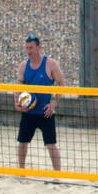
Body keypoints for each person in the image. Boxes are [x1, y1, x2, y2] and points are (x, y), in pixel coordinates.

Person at [15, 36, 65, 172]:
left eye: (31, 48)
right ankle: (21, 171)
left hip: (45, 112)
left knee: (51, 145)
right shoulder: (24, 66)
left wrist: (54, 103)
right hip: (28, 111)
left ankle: (58, 173)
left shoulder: (50, 64)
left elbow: (61, 84)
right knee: (22, 142)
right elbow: (18, 86)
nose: (28, 51)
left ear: (38, 47)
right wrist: (16, 101)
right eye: (26, 48)